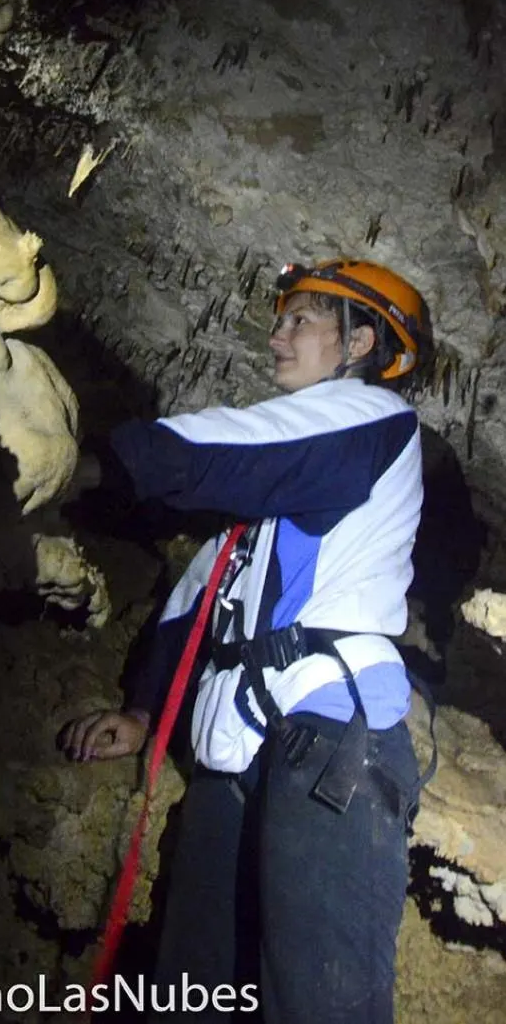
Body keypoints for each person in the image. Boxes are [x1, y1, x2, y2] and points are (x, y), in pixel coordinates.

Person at [60, 258, 432, 1024]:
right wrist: (140, 711)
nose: (276, 333)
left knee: (317, 1001)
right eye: (280, 317)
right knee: (189, 992)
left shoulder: (370, 419)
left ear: (359, 341)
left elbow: (232, 442)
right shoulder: (259, 518)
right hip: (238, 752)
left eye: (301, 319)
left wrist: (92, 464)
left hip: (329, 738)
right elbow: (191, 602)